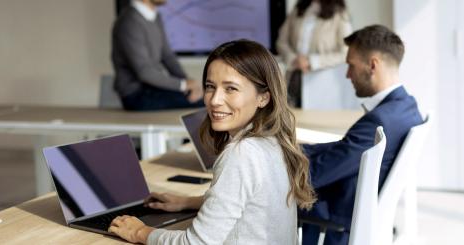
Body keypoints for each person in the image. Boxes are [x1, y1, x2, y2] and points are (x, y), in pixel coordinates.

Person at [108, 40, 316, 244]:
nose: (214, 100)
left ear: (264, 97)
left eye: (230, 89)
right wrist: (187, 202)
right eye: (210, 86)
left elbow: (196, 243)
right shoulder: (272, 140)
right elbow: (249, 201)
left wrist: (141, 233)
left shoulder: (241, 153)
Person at [300, 25, 424, 245]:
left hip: (338, 221)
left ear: (372, 65)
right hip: (358, 211)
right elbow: (345, 149)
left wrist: (273, 162)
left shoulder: (379, 122)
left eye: (351, 65)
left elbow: (317, 174)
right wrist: (295, 149)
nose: (348, 75)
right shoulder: (407, 107)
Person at [112, 0, 203, 111]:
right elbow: (144, 73)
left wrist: (189, 84)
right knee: (207, 100)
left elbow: (167, 56)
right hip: (136, 95)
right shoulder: (129, 21)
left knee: (205, 95)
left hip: (153, 89)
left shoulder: (155, 17)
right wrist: (184, 85)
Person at [276, 0, 352, 107]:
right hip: (294, 77)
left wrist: (312, 61)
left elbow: (346, 51)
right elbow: (281, 41)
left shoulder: (339, 13)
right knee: (290, 116)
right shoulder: (298, 9)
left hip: (322, 81)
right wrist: (294, 59)